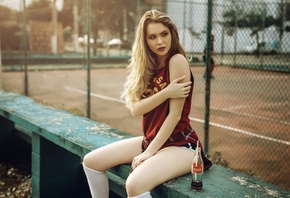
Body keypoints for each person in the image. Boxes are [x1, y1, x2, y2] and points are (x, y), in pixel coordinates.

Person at [83, 10, 212, 198]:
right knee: (91, 161)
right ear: (145, 40)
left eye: (164, 34)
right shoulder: (147, 67)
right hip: (152, 139)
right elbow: (136, 109)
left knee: (134, 184)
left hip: (181, 144)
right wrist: (166, 92)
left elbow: (175, 116)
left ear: (172, 34)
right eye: (152, 37)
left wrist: (148, 153)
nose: (160, 41)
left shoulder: (177, 61)